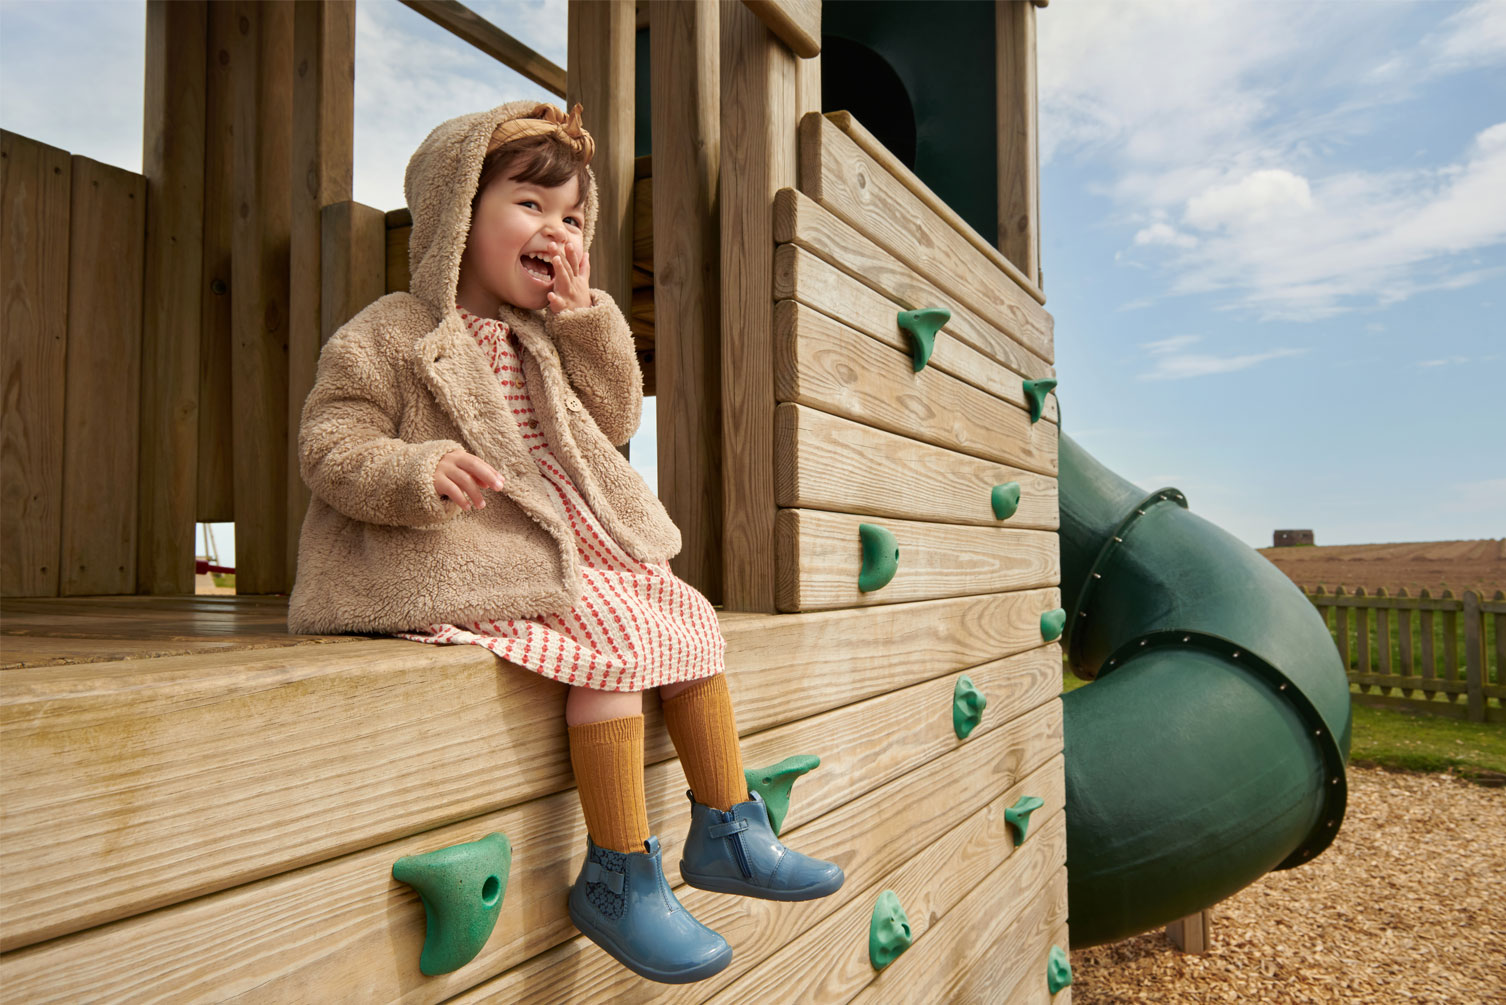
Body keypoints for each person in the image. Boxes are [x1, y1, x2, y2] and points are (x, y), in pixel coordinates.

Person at [287, 100, 843, 984]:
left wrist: (587, 317)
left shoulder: (548, 332)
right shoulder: (392, 331)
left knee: (688, 618)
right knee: (617, 649)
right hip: (462, 547)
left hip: (569, 534)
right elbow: (329, 441)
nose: (557, 228)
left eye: (573, 216)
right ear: (457, 211)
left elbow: (617, 415)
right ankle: (619, 872)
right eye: (531, 205)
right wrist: (415, 469)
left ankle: (728, 827)